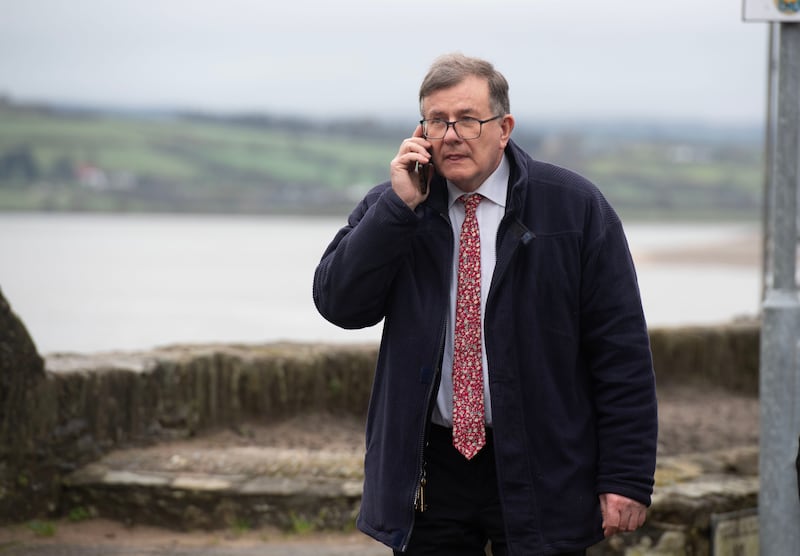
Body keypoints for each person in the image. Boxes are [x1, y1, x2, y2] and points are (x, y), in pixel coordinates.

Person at [313, 53, 658, 556]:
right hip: (431, 467)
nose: (451, 135)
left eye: (468, 119)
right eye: (436, 120)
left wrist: (626, 476)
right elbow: (339, 304)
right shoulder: (395, 207)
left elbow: (621, 351)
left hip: (544, 461)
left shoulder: (575, 208)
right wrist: (398, 208)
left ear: (504, 127)